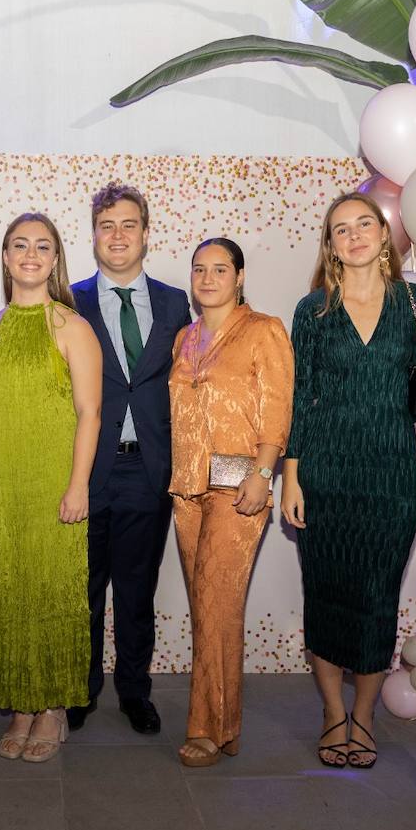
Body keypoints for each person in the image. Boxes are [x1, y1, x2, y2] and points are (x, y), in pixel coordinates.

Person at [281, 192, 416, 769]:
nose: (356, 235)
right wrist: (290, 479)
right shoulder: (312, 310)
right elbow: (298, 399)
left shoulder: (415, 302)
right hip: (324, 474)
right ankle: (330, 713)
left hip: (392, 474)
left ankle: (363, 716)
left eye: (365, 223)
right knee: (325, 594)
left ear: (383, 233)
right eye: (342, 229)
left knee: (376, 598)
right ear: (331, 245)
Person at [0, 212, 102, 763]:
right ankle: (20, 704)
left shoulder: (72, 327)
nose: (31, 254)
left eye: (42, 246)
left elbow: (90, 413)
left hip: (51, 480)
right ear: (6, 257)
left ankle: (52, 709)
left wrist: (78, 486)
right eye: (20, 245)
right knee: (6, 588)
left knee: (50, 591)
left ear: (56, 259)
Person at [170, 237, 294, 767]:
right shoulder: (185, 336)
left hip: (239, 483)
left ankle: (207, 728)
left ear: (239, 276)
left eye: (220, 268)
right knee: (206, 609)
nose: (208, 277)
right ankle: (225, 724)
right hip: (187, 486)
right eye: (200, 269)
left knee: (219, 604)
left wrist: (264, 474)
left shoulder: (264, 330)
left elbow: (278, 407)